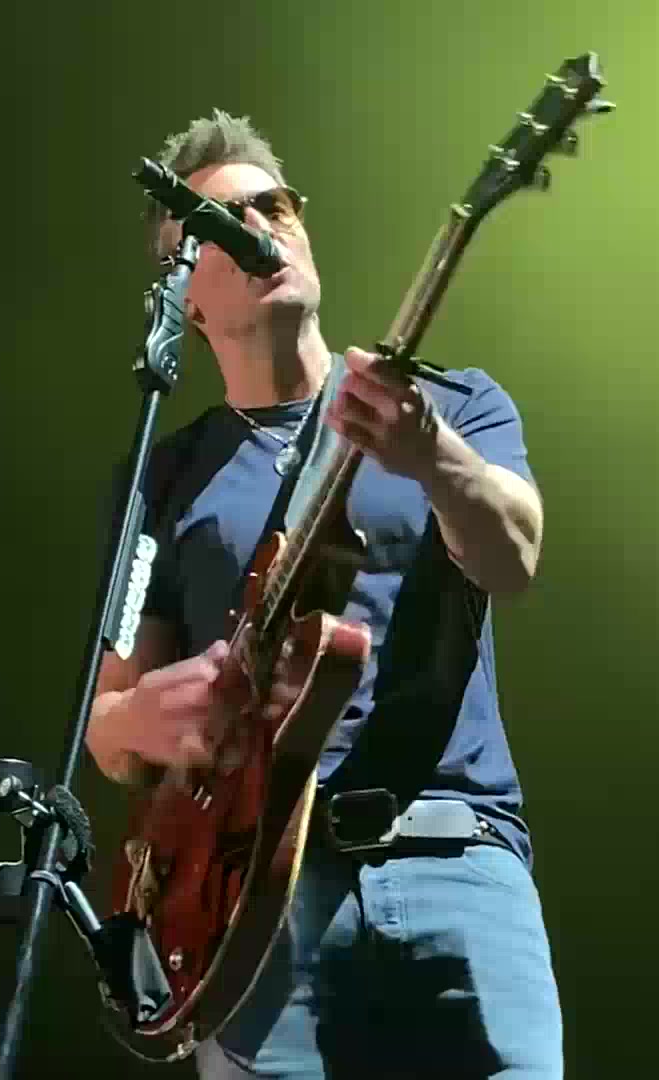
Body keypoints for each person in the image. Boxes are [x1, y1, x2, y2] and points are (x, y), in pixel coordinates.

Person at [85, 109, 563, 1078]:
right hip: (255, 903)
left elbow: (513, 560)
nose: (264, 228)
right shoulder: (162, 480)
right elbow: (106, 725)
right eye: (227, 224)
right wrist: (151, 717)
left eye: (277, 206)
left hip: (454, 856)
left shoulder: (455, 405)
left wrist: (432, 456)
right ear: (186, 299)